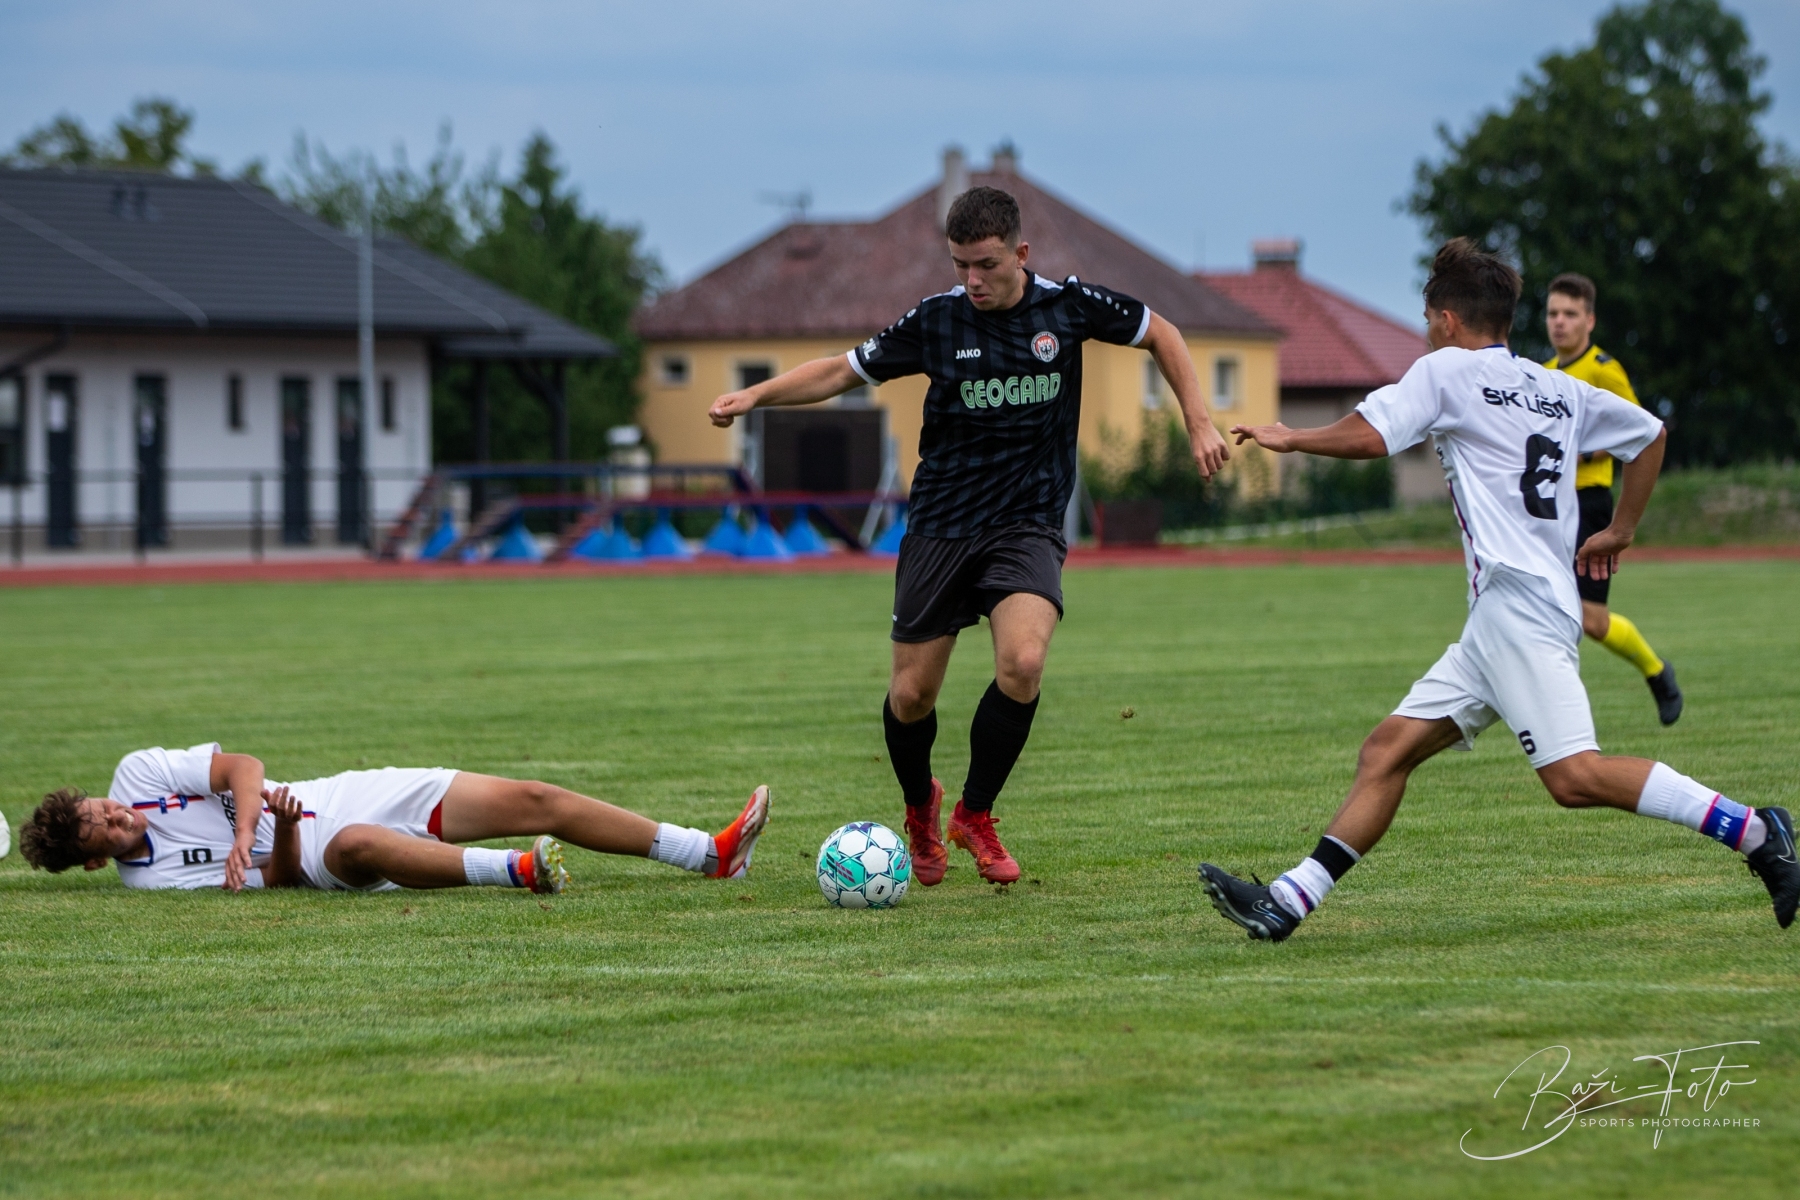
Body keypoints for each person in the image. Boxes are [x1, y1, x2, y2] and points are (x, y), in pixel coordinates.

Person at [1198, 239, 1796, 941]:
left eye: (1429, 319)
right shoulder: (1556, 387)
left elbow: (1371, 436)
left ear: (1448, 319)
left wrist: (1293, 438)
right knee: (1386, 752)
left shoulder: (1446, 370)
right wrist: (1622, 530)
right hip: (1505, 617)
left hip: (1521, 608)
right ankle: (1287, 902)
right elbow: (1651, 435)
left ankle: (1757, 832)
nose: (1427, 331)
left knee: (1574, 777)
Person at [709, 186, 1230, 885]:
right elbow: (841, 369)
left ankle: (975, 814)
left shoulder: (1067, 307)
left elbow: (1162, 332)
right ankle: (920, 806)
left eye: (985, 264)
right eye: (960, 265)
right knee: (910, 698)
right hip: (941, 524)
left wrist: (1198, 420)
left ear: (1020, 252)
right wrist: (755, 396)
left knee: (1024, 661)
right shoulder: (937, 320)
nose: (972, 280)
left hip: (1027, 522)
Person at [17, 741, 770, 894]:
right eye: (100, 829)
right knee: (356, 844)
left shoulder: (137, 774)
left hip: (343, 789)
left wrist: (251, 826)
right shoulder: (149, 881)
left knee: (533, 797)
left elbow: (241, 768)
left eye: (99, 807)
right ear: (96, 859)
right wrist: (285, 833)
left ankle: (710, 853)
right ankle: (520, 872)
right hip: (318, 855)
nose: (113, 814)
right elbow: (280, 884)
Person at [1544, 272, 1682, 724]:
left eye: (1570, 314)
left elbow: (1640, 432)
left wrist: (1582, 450)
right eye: (1552, 313)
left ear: (1590, 320)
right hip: (1547, 509)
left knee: (1591, 620)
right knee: (1539, 607)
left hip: (1589, 504)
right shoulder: (1542, 373)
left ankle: (1656, 670)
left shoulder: (1604, 370)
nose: (1559, 322)